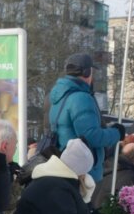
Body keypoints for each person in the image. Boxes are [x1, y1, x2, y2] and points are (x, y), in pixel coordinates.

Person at [49, 53, 126, 183]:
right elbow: (92, 136)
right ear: (86, 72)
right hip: (84, 172)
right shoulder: (81, 98)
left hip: (66, 166)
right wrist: (117, 132)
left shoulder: (59, 97)